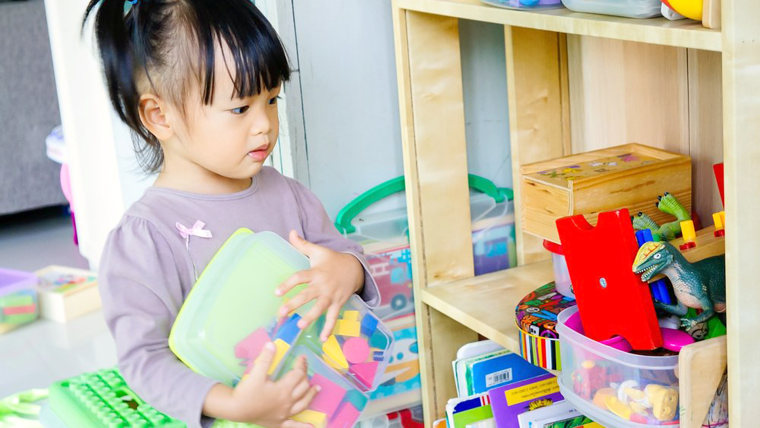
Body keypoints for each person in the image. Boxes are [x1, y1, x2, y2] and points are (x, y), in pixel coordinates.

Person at [83, 1, 378, 427]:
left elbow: (348, 259)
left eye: (272, 100)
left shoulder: (288, 196)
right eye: (240, 108)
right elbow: (144, 361)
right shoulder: (146, 238)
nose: (265, 125)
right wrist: (232, 404)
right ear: (159, 116)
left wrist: (344, 272)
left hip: (326, 406)